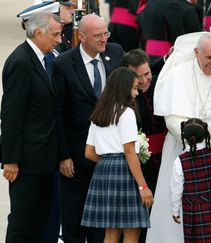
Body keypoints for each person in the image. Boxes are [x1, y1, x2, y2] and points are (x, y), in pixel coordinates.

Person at [148, 32, 211, 243]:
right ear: (196, 53)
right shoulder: (177, 74)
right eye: (209, 58)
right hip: (181, 149)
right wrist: (194, 140)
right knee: (176, 199)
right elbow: (171, 117)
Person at [53, 14, 124, 243]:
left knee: (102, 221)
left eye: (106, 33)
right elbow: (59, 113)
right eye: (98, 35)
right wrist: (63, 156)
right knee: (74, 219)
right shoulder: (63, 64)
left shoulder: (115, 53)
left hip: (107, 155)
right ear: (81, 37)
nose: (104, 39)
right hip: (75, 155)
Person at [1, 12, 62, 243]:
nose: (59, 40)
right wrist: (10, 160)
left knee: (39, 221)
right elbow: (11, 115)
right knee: (22, 222)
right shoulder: (21, 61)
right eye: (55, 34)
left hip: (45, 159)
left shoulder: (44, 59)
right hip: (26, 162)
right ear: (38, 33)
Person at [81, 67, 153, 243]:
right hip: (125, 172)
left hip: (103, 170)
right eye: (134, 88)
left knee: (111, 233)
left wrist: (108, 162)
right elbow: (129, 151)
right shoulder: (126, 112)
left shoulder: (99, 113)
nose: (136, 93)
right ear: (124, 88)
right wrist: (143, 186)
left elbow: (89, 153)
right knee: (132, 232)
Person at [120, 49, 168, 242]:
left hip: (166, 158)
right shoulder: (124, 97)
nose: (144, 81)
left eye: (147, 74)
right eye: (137, 77)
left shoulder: (161, 83)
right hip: (140, 164)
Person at [170, 118, 211, 243]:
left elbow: (176, 189)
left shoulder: (179, 161)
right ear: (205, 135)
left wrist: (175, 210)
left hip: (192, 211)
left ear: (185, 137)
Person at [137, 0, 201, 66]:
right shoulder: (179, 6)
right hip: (168, 57)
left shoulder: (150, 2)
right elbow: (181, 37)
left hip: (149, 55)